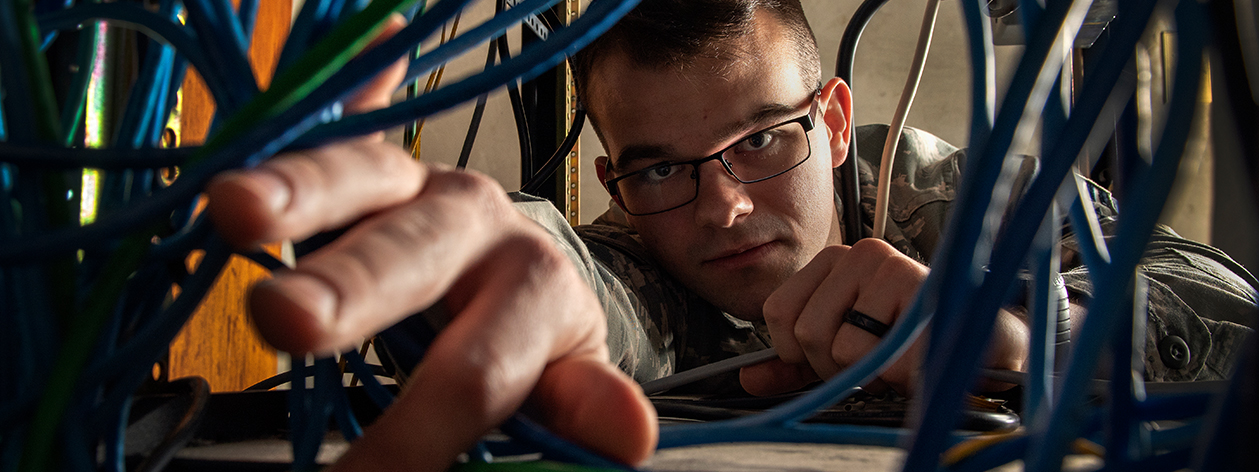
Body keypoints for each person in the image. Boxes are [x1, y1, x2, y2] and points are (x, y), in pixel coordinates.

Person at [205, 1, 1256, 470]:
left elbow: (1220, 305)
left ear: (833, 123)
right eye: (659, 165)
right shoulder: (634, 252)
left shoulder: (956, 192)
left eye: (761, 140)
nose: (722, 209)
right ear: (616, 174)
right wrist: (464, 271)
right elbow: (576, 283)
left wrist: (1037, 337)